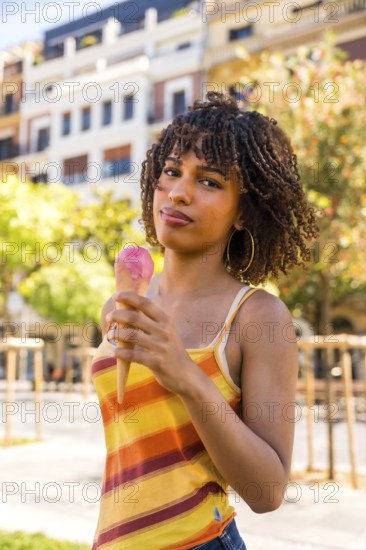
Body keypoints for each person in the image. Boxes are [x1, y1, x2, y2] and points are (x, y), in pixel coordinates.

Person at [91, 92, 318, 549]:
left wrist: (188, 378)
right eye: (171, 171)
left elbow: (267, 492)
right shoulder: (126, 301)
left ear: (243, 212)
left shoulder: (258, 317)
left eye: (210, 181)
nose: (178, 191)